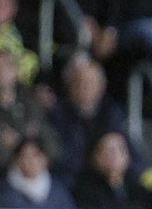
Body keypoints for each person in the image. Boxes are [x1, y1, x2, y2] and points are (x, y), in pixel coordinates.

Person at [0, 50, 57, 170]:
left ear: (15, 71)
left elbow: (53, 146)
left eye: (3, 67)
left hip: (39, 173)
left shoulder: (31, 101)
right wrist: (28, 144)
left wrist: (18, 143)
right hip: (4, 177)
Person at [49, 56, 130, 188]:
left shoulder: (111, 112)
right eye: (79, 82)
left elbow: (124, 151)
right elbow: (60, 158)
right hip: (70, 183)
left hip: (105, 180)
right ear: (69, 85)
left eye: (91, 82)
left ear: (102, 86)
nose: (85, 87)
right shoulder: (56, 115)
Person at [72, 131, 152, 209]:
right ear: (95, 157)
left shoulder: (138, 191)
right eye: (107, 151)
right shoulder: (84, 192)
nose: (114, 155)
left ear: (128, 156)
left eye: (119, 149)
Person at [0, 137, 73, 209]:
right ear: (17, 160)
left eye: (35, 155)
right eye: (25, 156)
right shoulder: (4, 192)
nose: (31, 161)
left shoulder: (58, 194)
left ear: (46, 159)